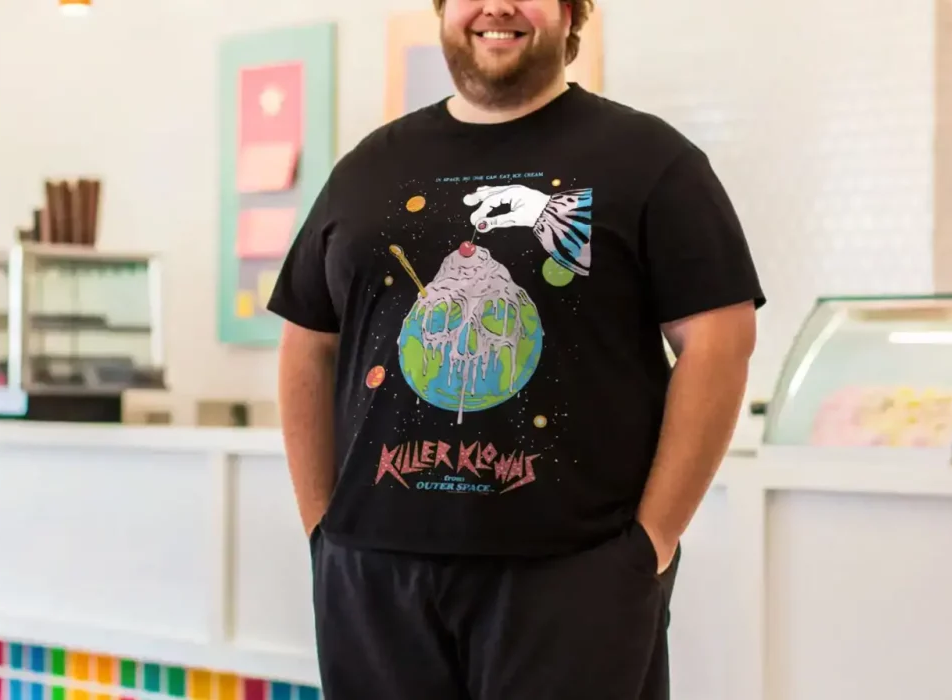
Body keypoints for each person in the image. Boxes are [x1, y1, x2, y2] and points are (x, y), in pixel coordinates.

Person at [264, 0, 763, 696]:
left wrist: (651, 542)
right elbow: (306, 342)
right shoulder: (368, 167)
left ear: (570, 11)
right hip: (374, 578)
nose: (496, 6)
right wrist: (324, 531)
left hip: (573, 578)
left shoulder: (651, 160)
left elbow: (720, 338)